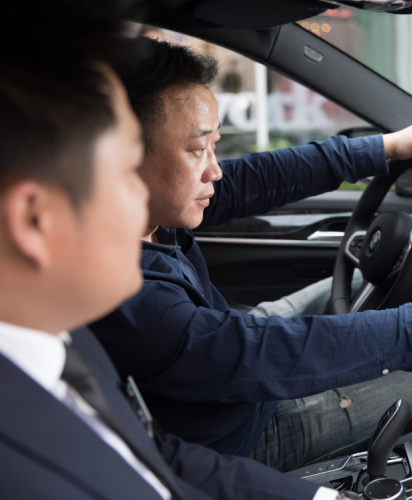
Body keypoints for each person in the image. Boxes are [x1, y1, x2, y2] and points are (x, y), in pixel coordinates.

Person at [89, 37, 412, 473]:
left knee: (354, 288)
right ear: (123, 155)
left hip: (231, 367)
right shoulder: (130, 296)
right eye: (198, 149)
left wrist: (382, 148)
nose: (216, 171)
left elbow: (250, 180)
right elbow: (274, 353)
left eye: (216, 147)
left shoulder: (150, 212)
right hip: (235, 436)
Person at [0, 2, 343, 498]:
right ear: (35, 220)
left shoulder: (66, 343)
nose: (142, 197)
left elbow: (159, 457)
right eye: (125, 171)